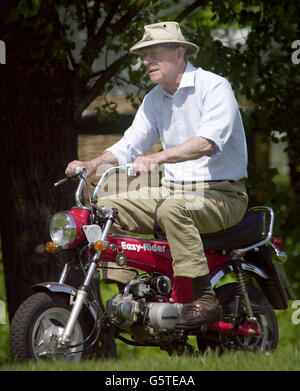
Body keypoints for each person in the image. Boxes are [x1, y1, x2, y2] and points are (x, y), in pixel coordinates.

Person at [66, 21, 248, 329]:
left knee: (172, 209)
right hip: (173, 190)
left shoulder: (215, 87)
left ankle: (205, 299)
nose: (146, 61)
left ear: (179, 53)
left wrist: (158, 156)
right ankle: (131, 294)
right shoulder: (155, 98)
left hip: (222, 195)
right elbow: (130, 143)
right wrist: (95, 161)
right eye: (143, 55)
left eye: (153, 53)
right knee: (106, 208)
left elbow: (208, 142)